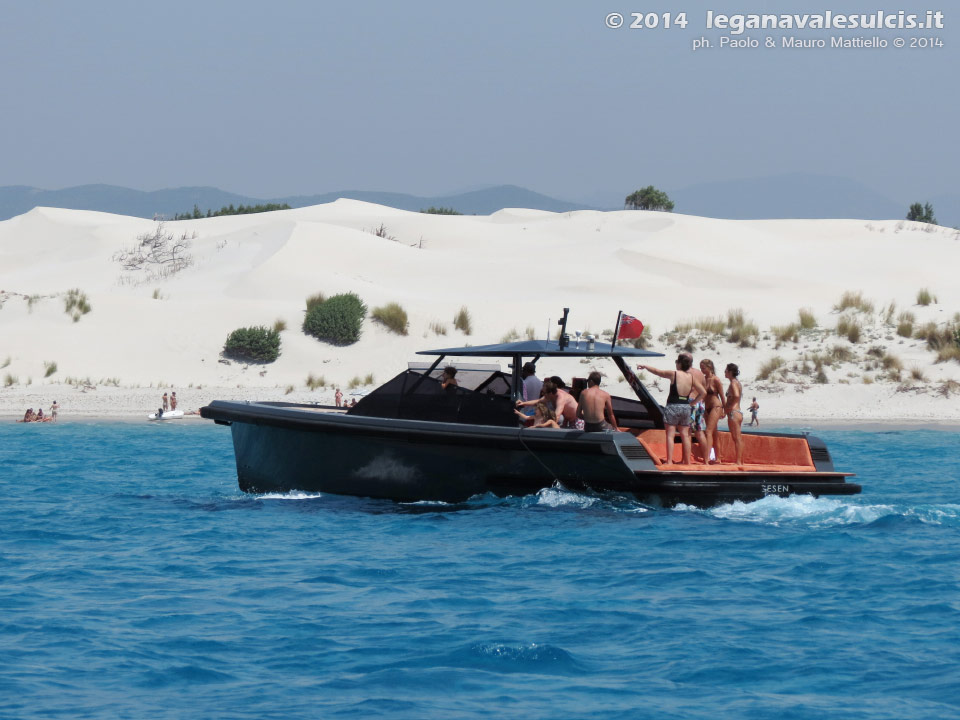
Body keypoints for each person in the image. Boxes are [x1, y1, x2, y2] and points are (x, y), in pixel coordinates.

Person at [638, 355, 706, 466]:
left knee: (670, 434)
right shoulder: (692, 377)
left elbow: (657, 372)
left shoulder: (674, 374)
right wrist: (692, 403)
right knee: (685, 435)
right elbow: (703, 392)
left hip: (673, 406)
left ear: (679, 363)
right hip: (685, 407)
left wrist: (645, 366)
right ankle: (687, 462)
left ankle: (669, 461)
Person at [681, 352, 708, 462]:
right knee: (699, 432)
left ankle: (685, 460)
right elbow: (704, 389)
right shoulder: (700, 373)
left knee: (686, 432)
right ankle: (706, 460)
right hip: (700, 402)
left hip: (690, 402)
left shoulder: (684, 372)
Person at [699, 359, 726, 464]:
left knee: (708, 431)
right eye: (701, 368)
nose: (702, 370)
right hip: (706, 408)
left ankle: (707, 458)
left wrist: (724, 410)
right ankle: (718, 458)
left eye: (703, 368)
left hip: (716, 406)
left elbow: (722, 396)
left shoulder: (716, 380)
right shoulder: (703, 379)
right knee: (714, 433)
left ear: (709, 367)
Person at [725, 363, 745, 465]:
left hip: (734, 412)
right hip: (737, 412)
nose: (724, 372)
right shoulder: (737, 382)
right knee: (737, 437)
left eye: (726, 371)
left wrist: (730, 407)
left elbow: (736, 395)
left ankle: (738, 461)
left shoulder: (733, 383)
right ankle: (740, 460)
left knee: (737, 438)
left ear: (730, 372)